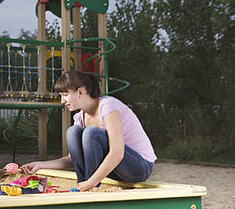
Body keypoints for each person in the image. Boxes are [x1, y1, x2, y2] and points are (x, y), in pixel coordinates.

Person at [20, 71, 156, 191]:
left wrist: (92, 181)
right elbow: (72, 160)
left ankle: (90, 186)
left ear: (80, 92)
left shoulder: (108, 107)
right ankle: (83, 185)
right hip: (113, 169)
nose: (62, 101)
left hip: (139, 167)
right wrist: (40, 165)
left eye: (65, 95)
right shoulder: (80, 117)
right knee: (72, 132)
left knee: (91, 133)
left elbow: (117, 153)